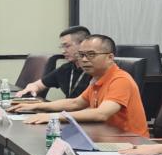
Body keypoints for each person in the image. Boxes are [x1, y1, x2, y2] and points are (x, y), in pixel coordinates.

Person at [19, 34, 149, 136]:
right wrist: (37, 106)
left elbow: (101, 114)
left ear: (110, 57)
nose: (84, 60)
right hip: (104, 136)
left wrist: (53, 117)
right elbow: (75, 103)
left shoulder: (120, 80)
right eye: (81, 55)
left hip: (130, 142)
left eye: (91, 55)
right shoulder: (97, 78)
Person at [15, 26, 91, 99]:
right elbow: (38, 85)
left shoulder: (94, 71)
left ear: (83, 44)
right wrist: (29, 89)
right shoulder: (65, 69)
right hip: (68, 107)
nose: (63, 51)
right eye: (62, 47)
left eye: (67, 46)